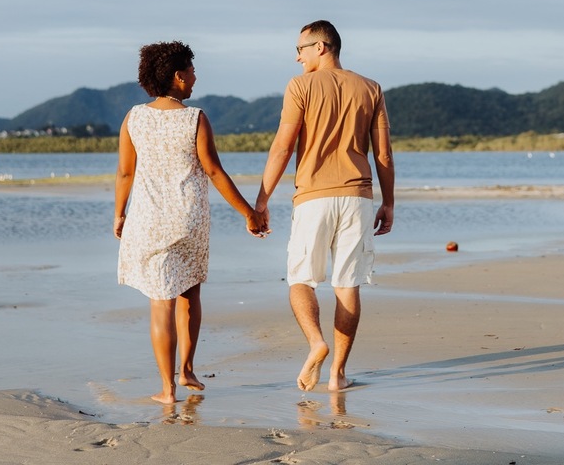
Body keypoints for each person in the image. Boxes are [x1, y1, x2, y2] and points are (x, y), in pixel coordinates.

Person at [114, 41, 268, 404]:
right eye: (192, 71)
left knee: (160, 303)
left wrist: (119, 213)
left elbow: (125, 173)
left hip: (149, 221)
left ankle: (167, 389)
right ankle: (186, 369)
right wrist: (249, 213)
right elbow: (214, 171)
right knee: (190, 291)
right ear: (178, 77)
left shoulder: (134, 118)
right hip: (188, 219)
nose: (196, 78)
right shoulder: (194, 118)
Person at [255, 20, 395, 392]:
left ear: (321, 46)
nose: (297, 57)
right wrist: (389, 202)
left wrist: (262, 200)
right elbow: (382, 154)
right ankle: (337, 376)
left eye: (300, 49)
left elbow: (283, 147)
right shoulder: (371, 88)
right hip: (357, 198)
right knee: (347, 285)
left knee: (301, 280)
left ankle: (317, 342)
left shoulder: (300, 86)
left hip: (313, 198)